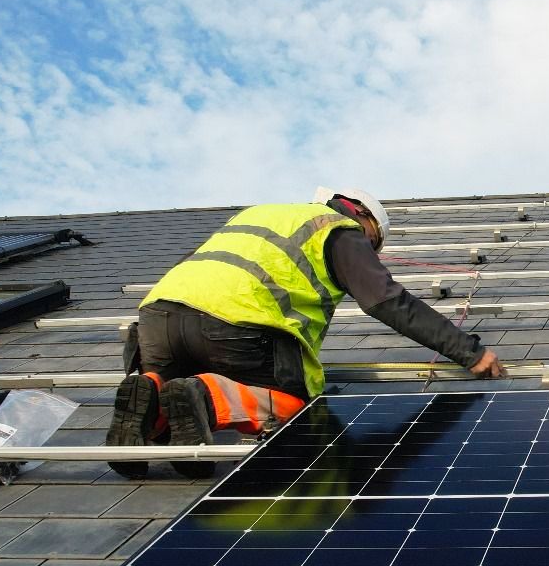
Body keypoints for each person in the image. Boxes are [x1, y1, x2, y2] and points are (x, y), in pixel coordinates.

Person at [106, 187, 504, 477]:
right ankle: (206, 399)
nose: (371, 250)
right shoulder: (337, 229)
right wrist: (468, 352)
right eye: (374, 243)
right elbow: (386, 301)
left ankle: (153, 395)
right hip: (235, 326)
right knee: (298, 407)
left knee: (167, 378)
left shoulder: (260, 214)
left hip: (157, 318)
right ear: (363, 217)